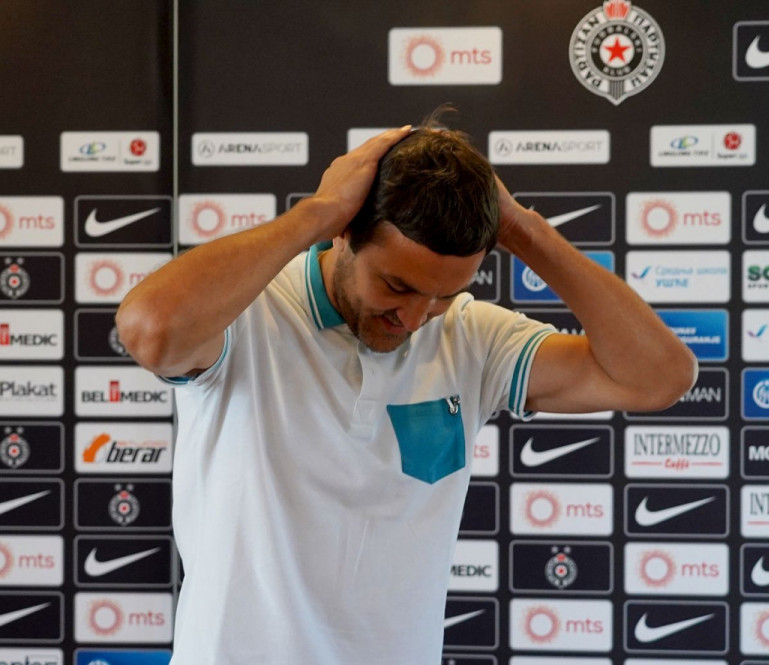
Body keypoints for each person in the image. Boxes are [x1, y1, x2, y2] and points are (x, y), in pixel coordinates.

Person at [116, 113, 697, 664]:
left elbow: (658, 378)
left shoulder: (473, 338)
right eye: (396, 285)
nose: (415, 318)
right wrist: (317, 211)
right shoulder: (246, 315)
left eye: (443, 294)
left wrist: (523, 229)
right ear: (345, 233)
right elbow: (151, 331)